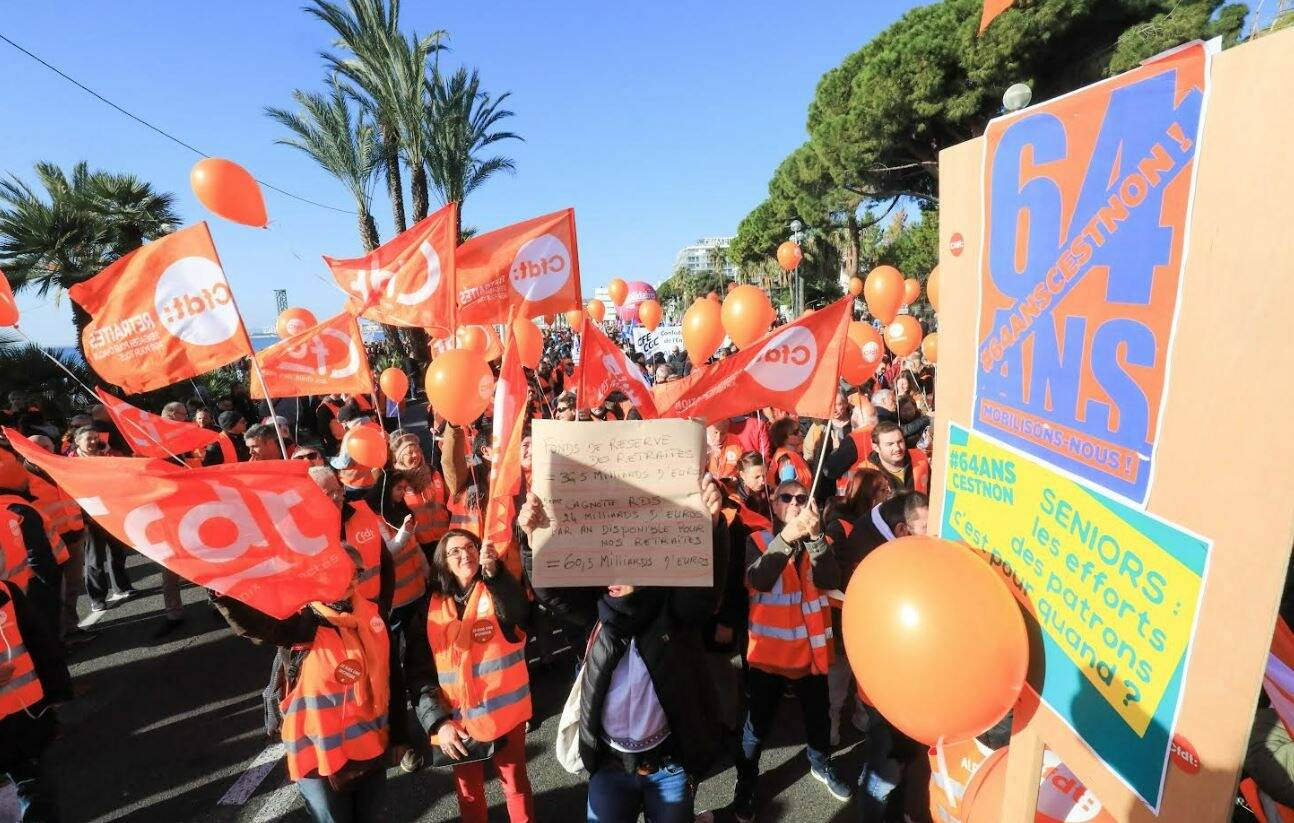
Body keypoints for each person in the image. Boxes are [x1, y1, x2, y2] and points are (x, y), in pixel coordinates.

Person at [520, 480, 730, 823]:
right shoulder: (599, 611)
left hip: (667, 767)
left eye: (629, 560)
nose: (615, 571)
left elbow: (705, 592)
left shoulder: (671, 611)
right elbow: (552, 592)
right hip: (610, 766)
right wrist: (533, 540)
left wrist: (712, 525)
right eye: (610, 558)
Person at [213, 544, 392, 823]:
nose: (352, 578)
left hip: (368, 745)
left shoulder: (370, 614)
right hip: (316, 758)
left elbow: (393, 675)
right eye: (342, 571)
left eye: (357, 572)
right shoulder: (302, 621)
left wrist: (401, 738)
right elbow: (257, 625)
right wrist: (223, 593)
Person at [732, 479, 851, 821]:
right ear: (773, 500)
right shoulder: (756, 540)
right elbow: (758, 579)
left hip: (811, 657)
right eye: (787, 497)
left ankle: (819, 763)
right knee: (755, 728)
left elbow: (830, 579)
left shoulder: (822, 539)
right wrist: (786, 539)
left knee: (817, 719)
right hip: (769, 659)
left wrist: (813, 538)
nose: (796, 503)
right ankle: (747, 781)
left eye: (802, 498)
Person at [405, 529, 535, 822]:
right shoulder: (428, 608)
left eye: (471, 547)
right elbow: (417, 672)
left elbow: (519, 614)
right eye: (455, 551)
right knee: (468, 792)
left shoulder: (498, 587)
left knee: (515, 786)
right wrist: (438, 724)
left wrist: (497, 574)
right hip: (456, 721)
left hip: (506, 715)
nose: (466, 554)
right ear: (443, 562)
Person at [0, 573, 73, 822]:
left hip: (25, 725)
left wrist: (56, 695)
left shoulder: (7, 593)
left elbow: (40, 644)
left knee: (38, 798)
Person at [71, 426, 136, 624]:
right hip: (90, 517)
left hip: (112, 512)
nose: (92, 442)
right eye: (88, 439)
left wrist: (108, 450)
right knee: (94, 559)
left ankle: (122, 587)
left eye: (95, 438)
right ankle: (97, 598)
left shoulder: (105, 455)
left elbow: (122, 470)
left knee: (117, 552)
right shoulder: (69, 464)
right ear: (77, 442)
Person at [0, 450, 64, 636]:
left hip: (20, 585)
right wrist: (52, 579)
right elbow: (36, 552)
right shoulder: (18, 508)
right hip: (34, 582)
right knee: (45, 631)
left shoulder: (12, 505)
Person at [869, 421, 930, 494]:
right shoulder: (868, 472)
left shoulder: (921, 457)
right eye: (890, 444)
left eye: (900, 441)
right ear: (876, 447)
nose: (897, 448)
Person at [766, 417, 810, 488]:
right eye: (795, 433)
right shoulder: (786, 459)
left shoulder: (793, 454)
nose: (800, 433)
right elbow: (787, 489)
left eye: (799, 430)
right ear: (784, 437)